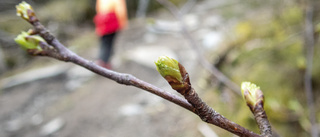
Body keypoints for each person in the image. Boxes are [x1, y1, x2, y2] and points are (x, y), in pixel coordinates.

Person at [94, 0, 128, 69]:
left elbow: (98, 8)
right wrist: (123, 22)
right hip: (111, 21)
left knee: (104, 42)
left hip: (101, 20)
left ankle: (102, 60)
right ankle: (105, 62)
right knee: (109, 43)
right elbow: (120, 11)